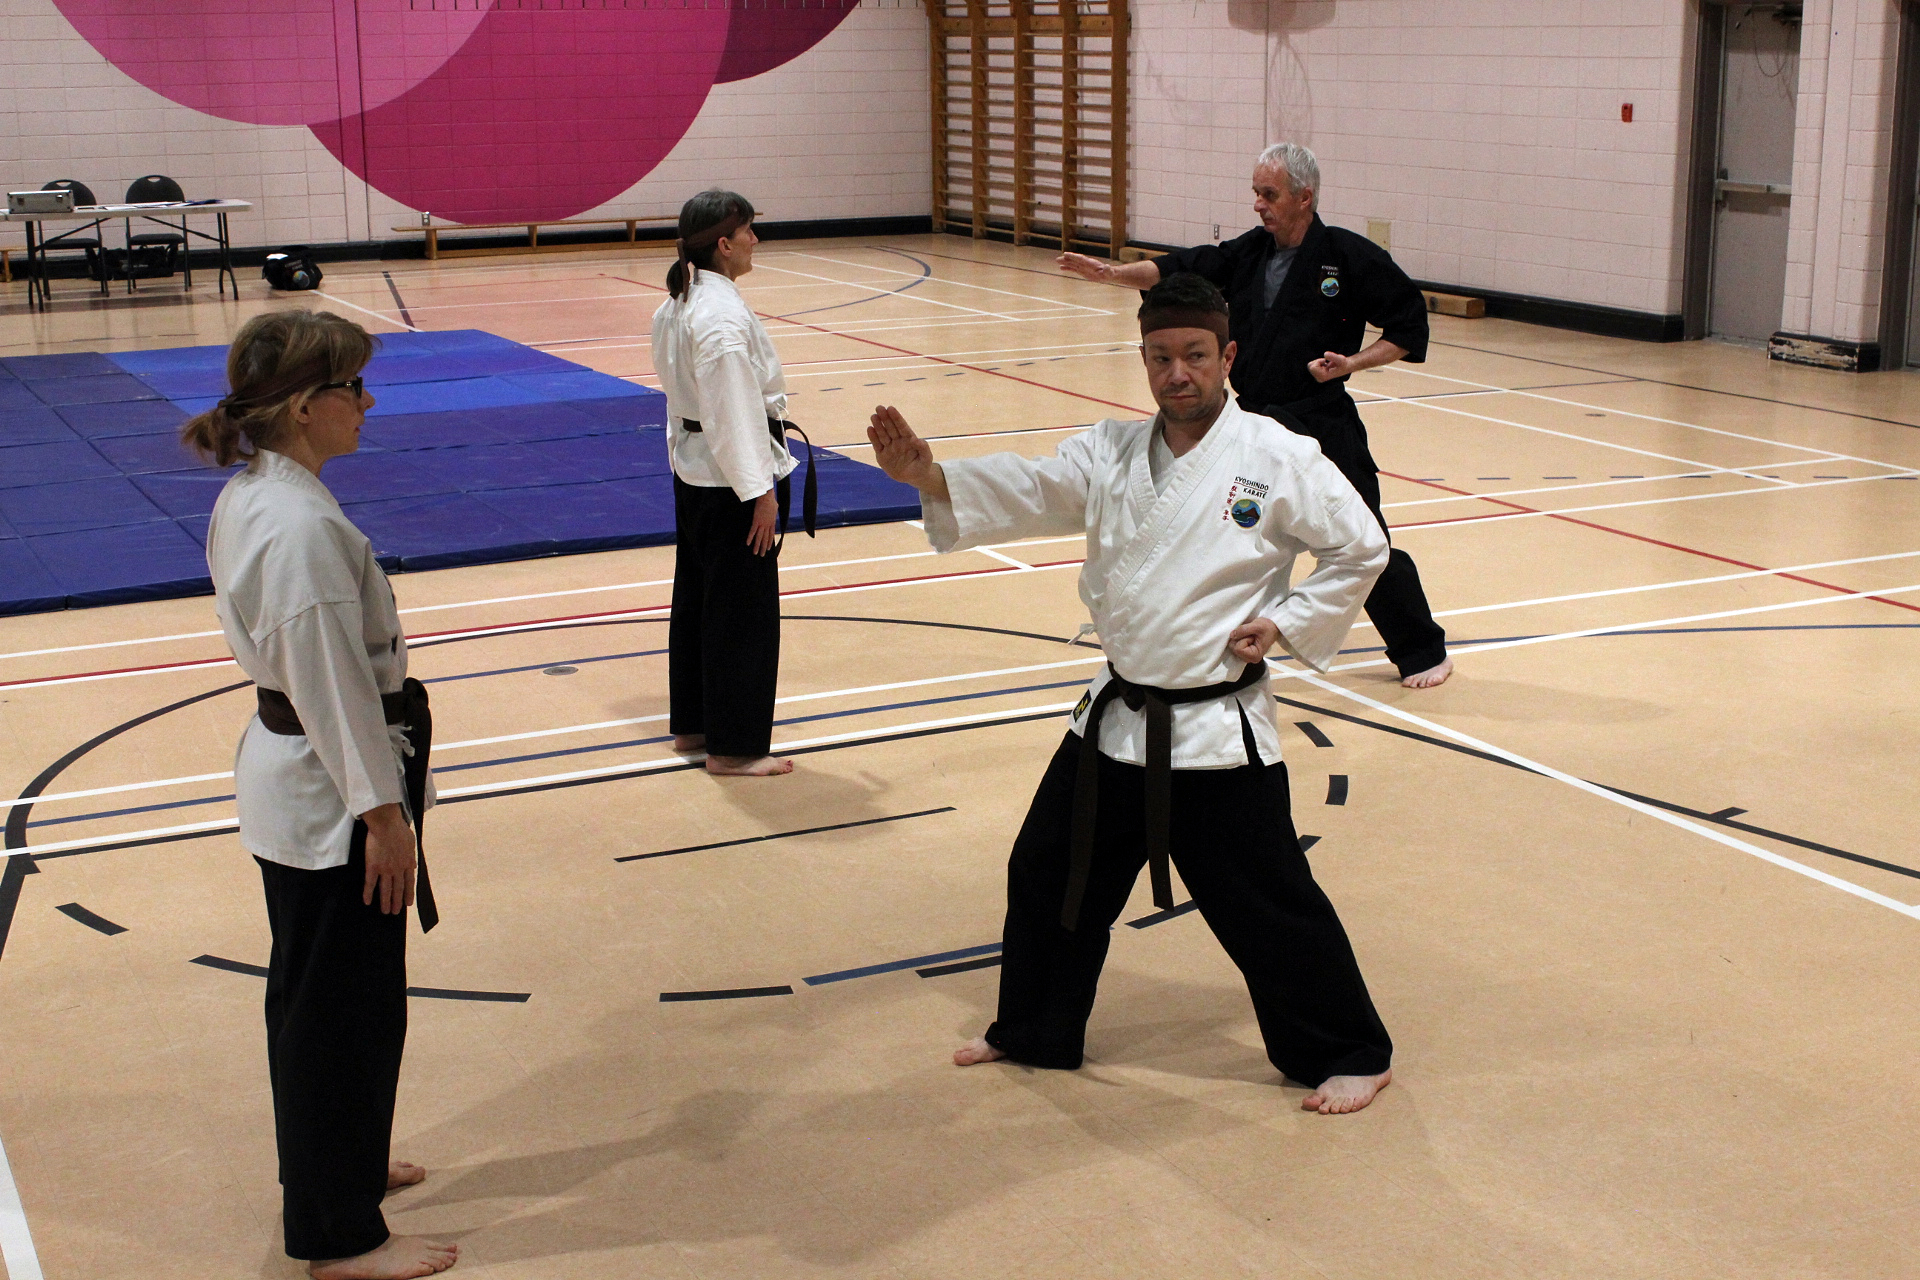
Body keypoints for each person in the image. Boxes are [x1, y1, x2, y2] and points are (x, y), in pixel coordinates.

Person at [868, 274, 1396, 1114]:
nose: (1177, 373)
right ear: (1143, 360)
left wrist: (1288, 621)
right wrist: (930, 475)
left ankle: (1349, 1051)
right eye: (1160, 357)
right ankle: (1034, 1028)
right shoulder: (1108, 450)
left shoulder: (1277, 455)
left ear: (1227, 356)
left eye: (1194, 355)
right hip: (1115, 719)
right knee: (1050, 873)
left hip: (1214, 728)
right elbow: (1033, 488)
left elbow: (1362, 546)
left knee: (1265, 903)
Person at [185, 310, 457, 1280]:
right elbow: (332, 685)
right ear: (306, 405)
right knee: (339, 1011)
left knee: (333, 1000)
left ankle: (340, 1167)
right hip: (333, 796)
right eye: (353, 387)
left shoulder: (263, 493)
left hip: (309, 779)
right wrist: (384, 817)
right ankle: (339, 1234)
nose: (367, 403)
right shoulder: (296, 526)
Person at [1057, 141, 1452, 689]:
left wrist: (1352, 363)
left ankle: (1423, 650)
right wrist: (1112, 275)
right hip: (1251, 422)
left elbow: (1409, 325)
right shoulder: (1249, 253)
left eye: (1269, 194)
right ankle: (1205, 636)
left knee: (1364, 536)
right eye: (1256, 193)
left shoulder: (1347, 255)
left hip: (1321, 419)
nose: (1258, 204)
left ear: (1304, 197)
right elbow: (1180, 268)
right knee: (1220, 527)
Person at [653, 188, 807, 777]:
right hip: (730, 481)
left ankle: (695, 725)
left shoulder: (677, 304)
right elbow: (734, 412)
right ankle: (734, 748)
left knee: (698, 599)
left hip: (695, 473)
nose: (754, 241)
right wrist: (761, 492)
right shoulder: (718, 317)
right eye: (747, 231)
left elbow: (684, 403)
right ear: (723, 243)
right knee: (742, 613)